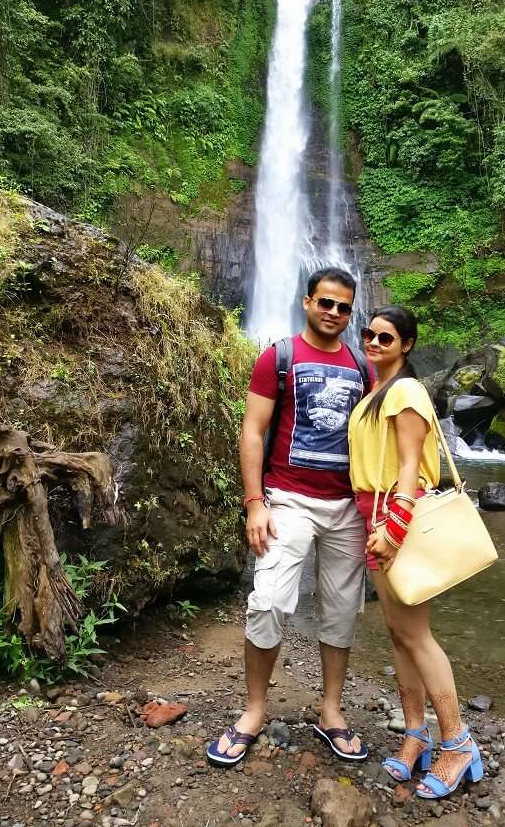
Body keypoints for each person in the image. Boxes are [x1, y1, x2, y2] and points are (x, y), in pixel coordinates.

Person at [207, 267, 372, 768]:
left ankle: (331, 710)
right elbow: (253, 431)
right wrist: (254, 503)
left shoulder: (363, 367)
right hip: (288, 500)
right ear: (307, 302)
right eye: (326, 303)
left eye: (344, 307)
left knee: (342, 610)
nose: (334, 313)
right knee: (269, 601)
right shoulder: (278, 357)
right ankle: (254, 710)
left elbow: (373, 441)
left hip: (347, 506)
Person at [348, 306, 484, 800]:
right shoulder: (376, 392)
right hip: (375, 515)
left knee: (418, 635)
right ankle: (415, 736)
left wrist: (395, 527)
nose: (374, 341)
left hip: (394, 517)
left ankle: (458, 744)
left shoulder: (405, 391)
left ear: (406, 344)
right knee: (399, 633)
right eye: (369, 333)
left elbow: (410, 466)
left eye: (386, 336)